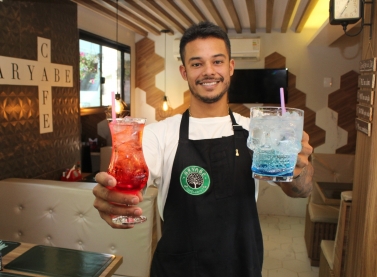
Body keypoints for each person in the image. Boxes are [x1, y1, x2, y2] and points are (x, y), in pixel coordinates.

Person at [93, 21, 313, 277]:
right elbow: (132, 181)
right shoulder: (159, 134)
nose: (209, 71)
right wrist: (115, 198)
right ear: (184, 72)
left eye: (217, 61)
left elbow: (301, 190)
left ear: (231, 68)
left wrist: (298, 168)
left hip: (243, 266)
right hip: (179, 269)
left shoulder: (258, 131)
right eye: (197, 64)